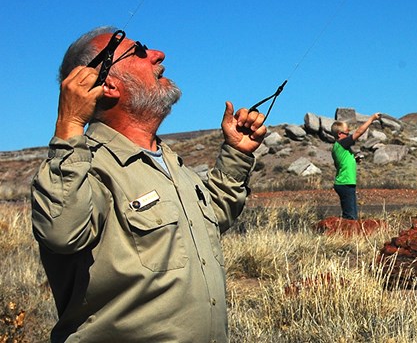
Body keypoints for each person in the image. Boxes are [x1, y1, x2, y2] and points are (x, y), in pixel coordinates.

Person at [30, 26, 267, 343]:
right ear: (110, 86)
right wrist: (70, 125)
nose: (158, 54)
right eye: (139, 51)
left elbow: (211, 219)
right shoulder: (86, 168)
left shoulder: (169, 162)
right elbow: (62, 232)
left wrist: (236, 154)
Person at [330, 113, 381, 220]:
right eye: (347, 132)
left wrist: (354, 160)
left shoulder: (338, 148)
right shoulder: (341, 144)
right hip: (345, 183)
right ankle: (346, 235)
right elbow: (359, 132)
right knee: (350, 216)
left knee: (350, 214)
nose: (349, 134)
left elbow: (340, 164)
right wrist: (371, 119)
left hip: (345, 183)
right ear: (340, 134)